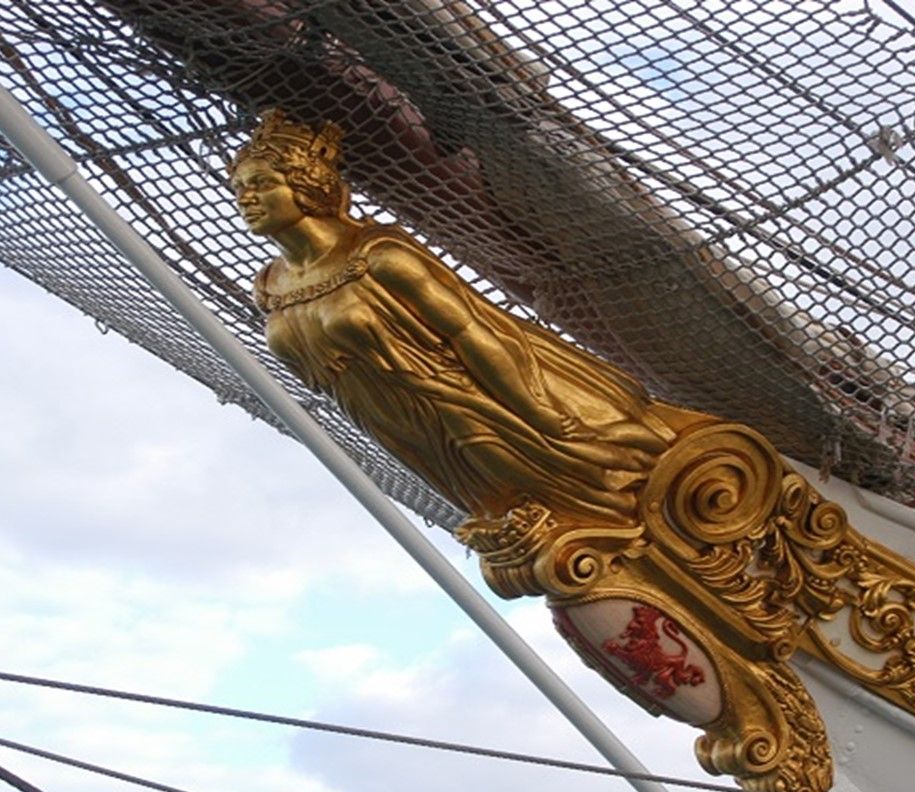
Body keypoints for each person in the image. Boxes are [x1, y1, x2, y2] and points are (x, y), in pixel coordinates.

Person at [231, 110, 702, 522]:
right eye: (239, 188)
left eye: (262, 184)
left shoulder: (378, 257)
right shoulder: (269, 287)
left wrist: (537, 409)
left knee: (600, 498)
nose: (245, 198)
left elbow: (472, 330)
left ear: (307, 184)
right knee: (511, 517)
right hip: (396, 428)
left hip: (466, 407)